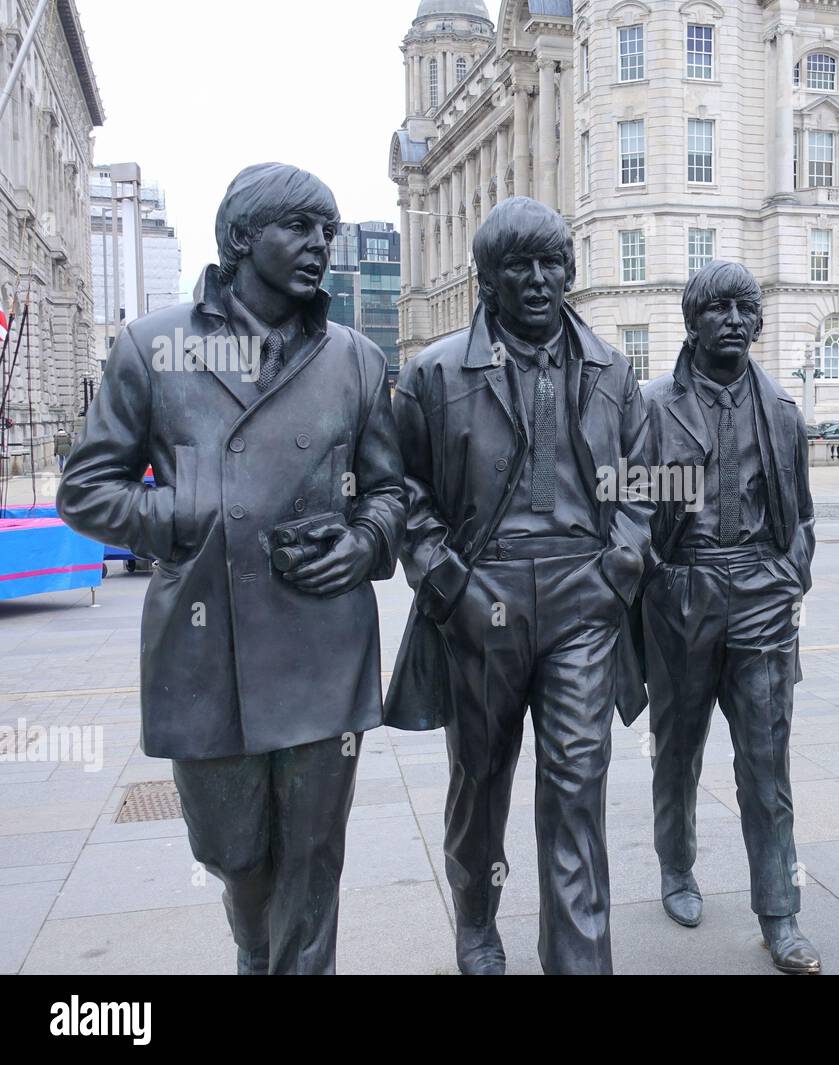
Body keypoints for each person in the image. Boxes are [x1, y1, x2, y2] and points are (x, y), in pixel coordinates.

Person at [58, 163, 405, 975]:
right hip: (205, 653)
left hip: (325, 647)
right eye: (299, 227)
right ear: (243, 238)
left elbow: (392, 492)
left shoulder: (354, 357)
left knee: (314, 864)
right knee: (236, 855)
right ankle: (255, 944)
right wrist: (174, 517)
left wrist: (364, 542)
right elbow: (86, 488)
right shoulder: (154, 346)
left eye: (328, 230)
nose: (320, 243)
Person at [384, 197, 654, 975]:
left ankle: (579, 960)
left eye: (552, 263)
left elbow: (641, 483)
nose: (539, 280)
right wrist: (447, 583)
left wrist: (621, 565)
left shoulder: (611, 369)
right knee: (481, 778)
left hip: (584, 596)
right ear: (487, 279)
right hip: (482, 593)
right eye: (519, 266)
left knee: (577, 782)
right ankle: (476, 919)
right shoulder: (434, 372)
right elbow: (404, 491)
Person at [637, 261, 820, 974]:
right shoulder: (652, 404)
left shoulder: (779, 407)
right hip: (682, 592)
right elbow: (625, 506)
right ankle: (676, 865)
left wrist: (787, 572)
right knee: (677, 748)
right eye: (718, 308)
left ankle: (780, 913)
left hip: (762, 594)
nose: (736, 319)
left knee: (766, 763)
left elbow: (800, 514)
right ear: (693, 320)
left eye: (746, 307)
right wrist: (658, 578)